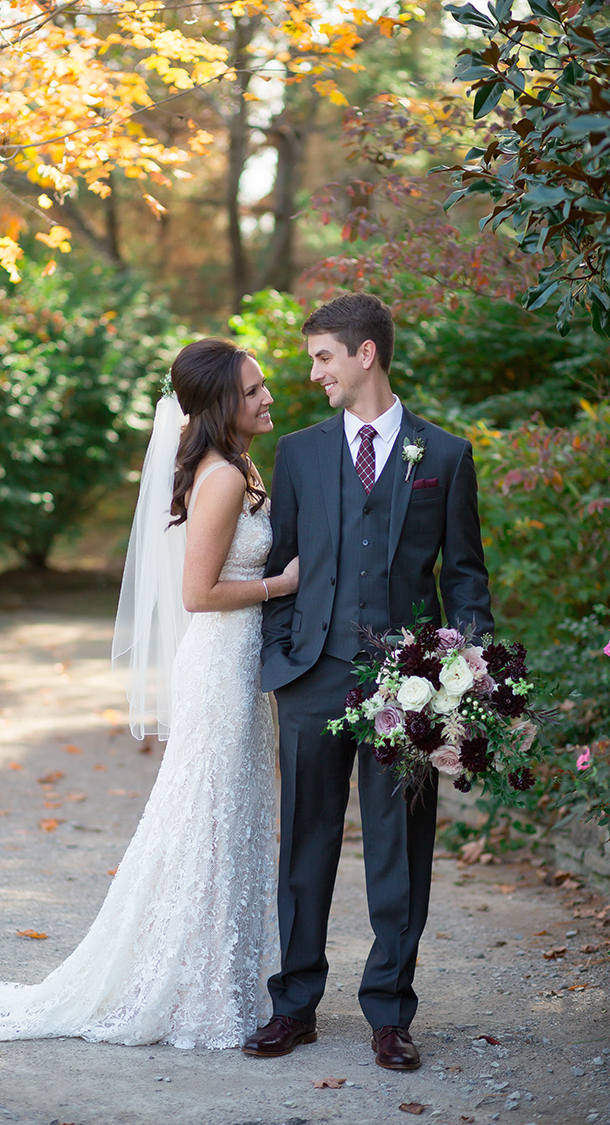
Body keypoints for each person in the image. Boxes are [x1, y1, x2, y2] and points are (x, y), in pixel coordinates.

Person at [0, 337, 298, 1050]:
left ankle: (218, 978)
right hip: (218, 663)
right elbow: (197, 592)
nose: (267, 397)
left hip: (233, 663)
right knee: (209, 818)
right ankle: (196, 987)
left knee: (229, 816)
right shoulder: (221, 476)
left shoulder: (235, 466)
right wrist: (282, 584)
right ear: (223, 402)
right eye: (253, 390)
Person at [243, 293, 494, 1067]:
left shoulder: (443, 455)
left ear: (365, 355)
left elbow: (465, 578)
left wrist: (465, 678)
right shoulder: (301, 452)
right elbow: (280, 563)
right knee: (305, 844)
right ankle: (296, 1004)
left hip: (408, 688)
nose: (313, 371)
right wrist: (283, 659)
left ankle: (389, 1011)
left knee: (401, 849)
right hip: (314, 676)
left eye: (322, 356)